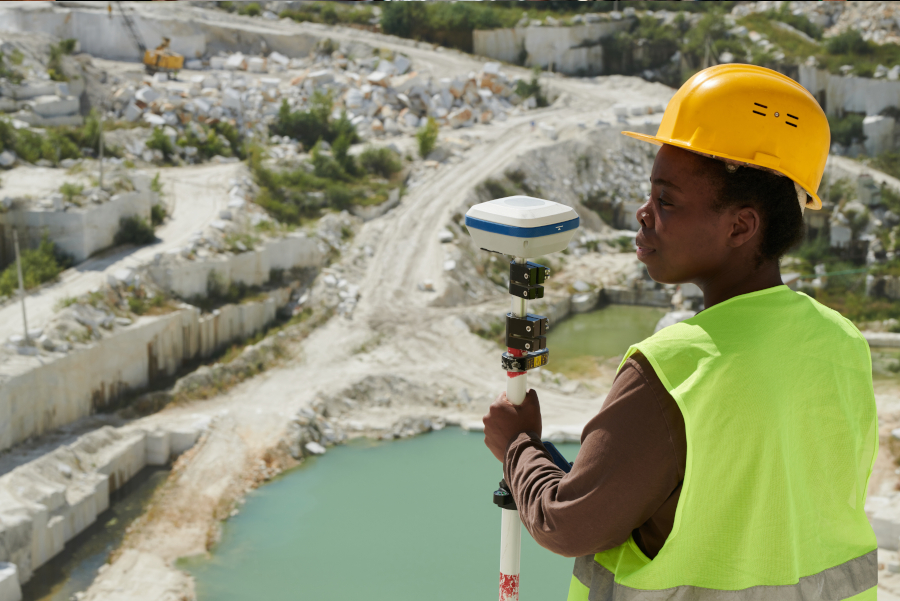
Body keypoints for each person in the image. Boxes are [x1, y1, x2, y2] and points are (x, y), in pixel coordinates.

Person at [483, 64, 878, 600]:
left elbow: (568, 524)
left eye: (667, 201)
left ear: (740, 226)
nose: (644, 214)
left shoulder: (674, 370)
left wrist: (518, 446)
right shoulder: (841, 343)